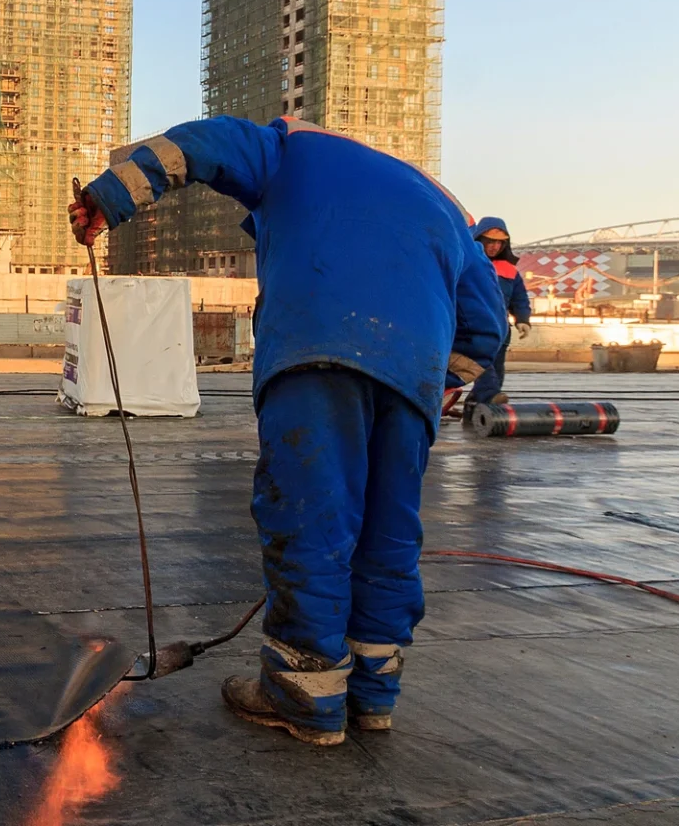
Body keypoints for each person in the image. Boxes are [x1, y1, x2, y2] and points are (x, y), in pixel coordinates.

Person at [69, 116, 506, 746]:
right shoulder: (439, 202)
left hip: (317, 349)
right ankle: (371, 698)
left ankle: (304, 693)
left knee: (311, 520)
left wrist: (105, 199)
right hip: (411, 378)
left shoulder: (289, 147)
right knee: (387, 533)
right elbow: (486, 328)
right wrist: (435, 387)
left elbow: (195, 147)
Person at [469, 217, 532, 406]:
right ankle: (489, 396)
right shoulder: (468, 265)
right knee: (483, 364)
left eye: (499, 242)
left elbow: (519, 298)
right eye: (490, 241)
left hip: (501, 330)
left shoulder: (510, 270)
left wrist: (523, 319)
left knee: (497, 367)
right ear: (479, 240)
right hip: (475, 326)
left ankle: (477, 404)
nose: (495, 246)